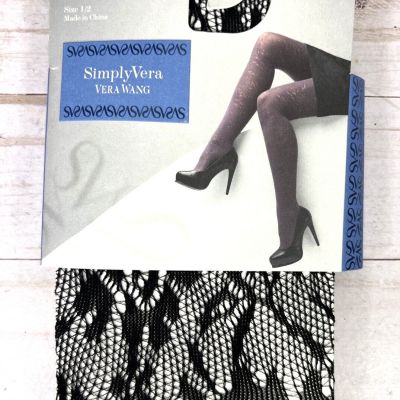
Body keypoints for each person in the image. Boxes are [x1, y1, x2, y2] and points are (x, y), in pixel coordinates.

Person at [176, 32, 350, 267]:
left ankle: (290, 217)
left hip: (369, 85)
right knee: (268, 43)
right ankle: (218, 148)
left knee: (269, 103)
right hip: (350, 70)